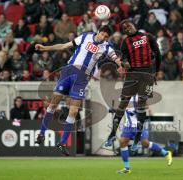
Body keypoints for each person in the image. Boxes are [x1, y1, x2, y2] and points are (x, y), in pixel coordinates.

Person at [34, 25, 121, 156]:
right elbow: (64, 46)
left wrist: (121, 65)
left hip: (82, 78)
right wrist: (45, 48)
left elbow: (116, 58)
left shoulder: (107, 47)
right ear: (99, 32)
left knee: (73, 111)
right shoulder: (85, 37)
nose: (103, 38)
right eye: (103, 34)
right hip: (69, 71)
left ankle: (62, 143)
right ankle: (41, 133)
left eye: (106, 37)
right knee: (54, 103)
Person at [105, 19, 161, 149]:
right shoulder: (125, 42)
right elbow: (123, 59)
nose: (127, 28)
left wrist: (156, 71)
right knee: (123, 103)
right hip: (132, 75)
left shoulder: (148, 37)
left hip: (147, 75)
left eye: (128, 25)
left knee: (142, 106)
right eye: (124, 28)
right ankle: (112, 134)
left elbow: (157, 53)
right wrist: (124, 64)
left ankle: (137, 138)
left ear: (134, 25)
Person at [117, 96, 172, 174]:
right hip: (128, 126)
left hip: (139, 125)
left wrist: (140, 110)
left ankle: (166, 153)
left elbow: (146, 107)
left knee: (145, 143)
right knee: (122, 142)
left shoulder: (138, 95)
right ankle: (127, 168)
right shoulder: (124, 95)